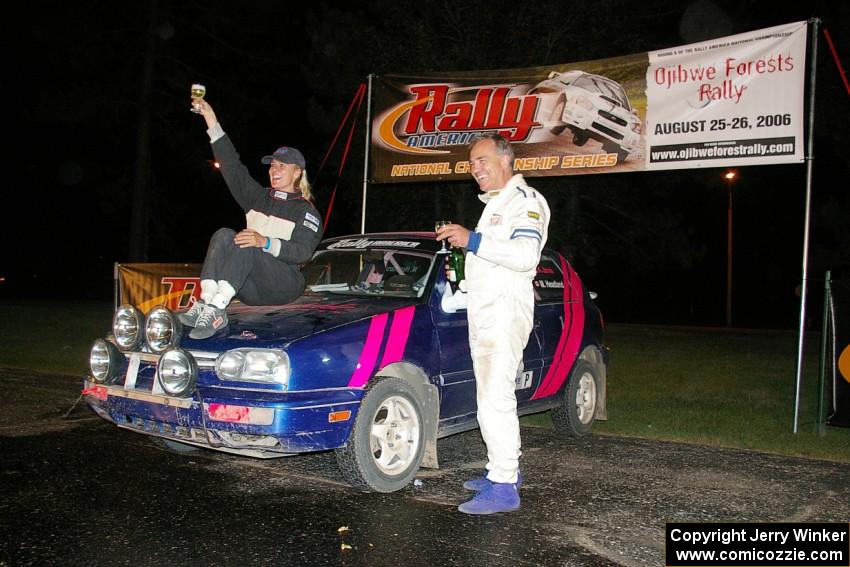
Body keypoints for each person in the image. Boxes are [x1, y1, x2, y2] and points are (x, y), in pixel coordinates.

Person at [436, 133, 549, 515]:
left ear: (506, 159)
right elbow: (487, 264)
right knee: (490, 397)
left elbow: (524, 255)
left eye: (481, 160)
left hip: (504, 313)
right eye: (471, 163)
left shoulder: (525, 201)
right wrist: (460, 290)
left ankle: (503, 487)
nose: (475, 169)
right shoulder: (494, 205)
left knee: (494, 400)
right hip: (484, 312)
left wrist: (473, 239)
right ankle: (501, 472)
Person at [179, 96, 323, 339]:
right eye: (272, 165)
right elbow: (232, 167)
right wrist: (210, 119)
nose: (274, 170)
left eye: (282, 166)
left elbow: (302, 252)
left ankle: (217, 308)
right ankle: (206, 302)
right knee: (225, 234)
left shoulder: (305, 211)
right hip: (250, 284)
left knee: (250, 242)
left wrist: (264, 242)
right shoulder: (258, 198)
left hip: (284, 284)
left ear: (297, 172)